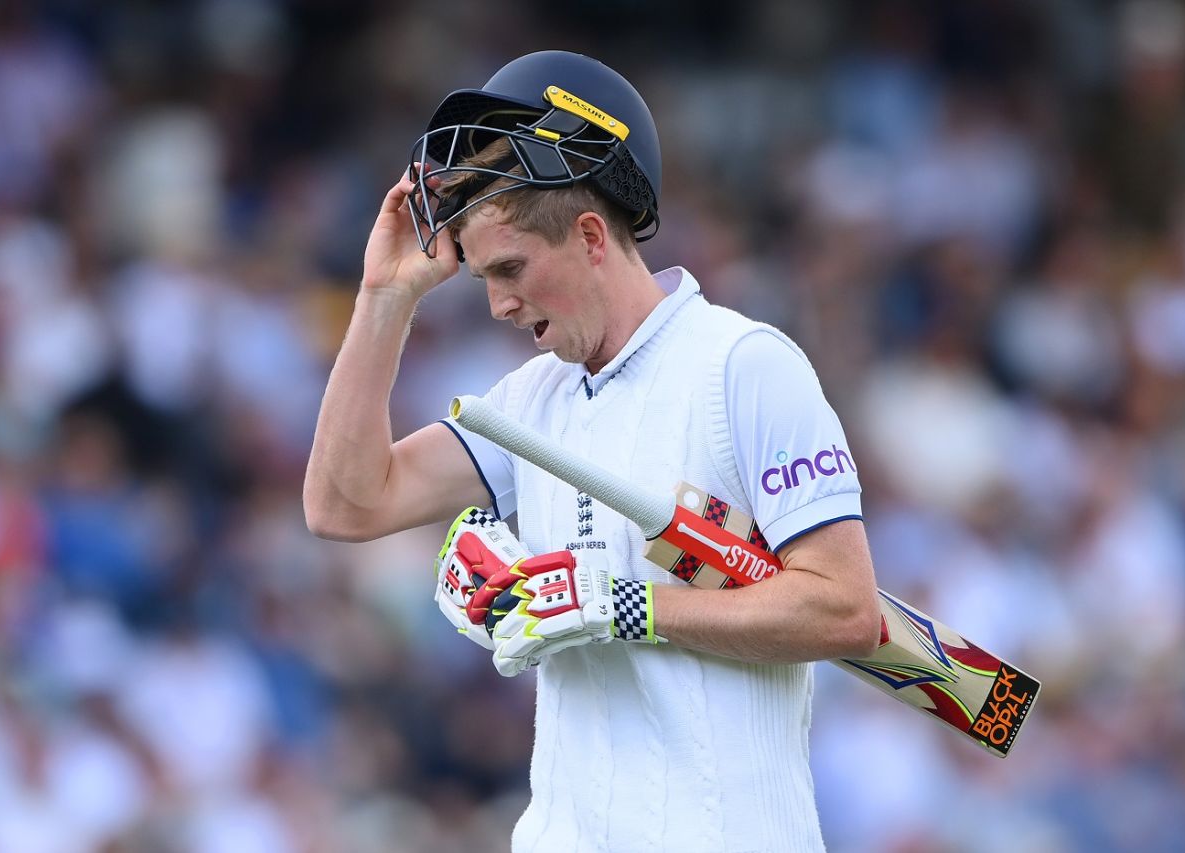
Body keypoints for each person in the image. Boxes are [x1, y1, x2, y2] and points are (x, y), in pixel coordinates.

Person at [304, 50, 880, 852]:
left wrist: (619, 604)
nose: (499, 304)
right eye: (482, 278)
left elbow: (846, 609)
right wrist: (383, 297)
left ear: (590, 235)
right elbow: (344, 503)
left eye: (510, 268)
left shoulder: (743, 365)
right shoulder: (527, 405)